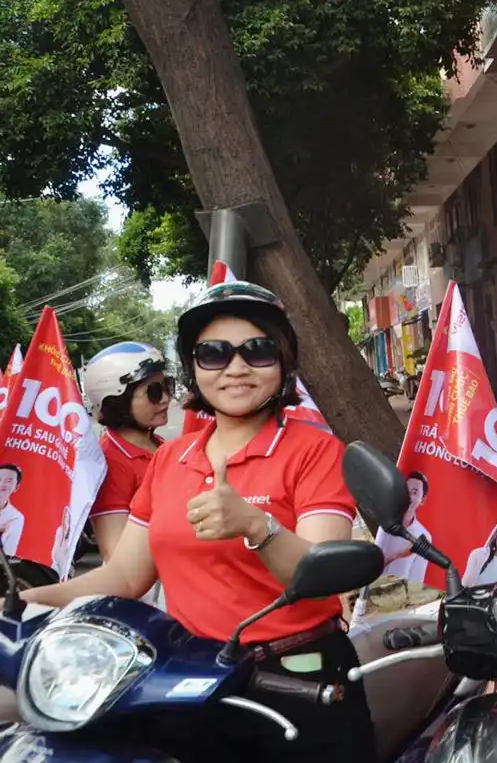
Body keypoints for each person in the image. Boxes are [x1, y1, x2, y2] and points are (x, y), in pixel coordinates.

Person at [21, 281, 374, 763]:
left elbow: (320, 574)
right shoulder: (172, 458)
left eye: (257, 350)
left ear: (283, 360)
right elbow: (124, 576)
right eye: (214, 353)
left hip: (300, 684)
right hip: (195, 683)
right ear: (194, 367)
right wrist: (26, 601)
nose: (236, 367)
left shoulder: (314, 450)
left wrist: (258, 527)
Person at [82, 342, 172, 559]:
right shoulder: (109, 464)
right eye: (153, 392)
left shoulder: (159, 444)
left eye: (168, 386)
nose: (166, 398)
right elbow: (117, 555)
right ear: (118, 400)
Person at [377, 471, 431, 582]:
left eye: (414, 492)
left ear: (422, 500)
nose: (409, 496)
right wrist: (399, 554)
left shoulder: (424, 536)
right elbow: (373, 566)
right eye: (406, 491)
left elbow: (416, 579)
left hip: (399, 591)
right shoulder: (385, 523)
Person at [0, 463, 24, 557]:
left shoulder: (16, 518)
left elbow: (8, 553)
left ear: (16, 487)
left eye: (9, 481)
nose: (2, 484)